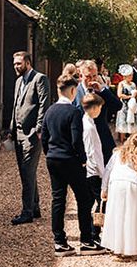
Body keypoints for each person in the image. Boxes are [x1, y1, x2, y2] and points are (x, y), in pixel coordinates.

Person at [43, 74, 102, 254]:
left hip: (53, 158)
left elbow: (44, 137)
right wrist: (83, 159)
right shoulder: (74, 112)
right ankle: (86, 240)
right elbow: (77, 140)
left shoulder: (50, 111)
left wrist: (50, 153)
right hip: (70, 159)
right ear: (72, 90)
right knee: (84, 199)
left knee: (58, 199)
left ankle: (59, 241)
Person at [6, 51, 50, 225]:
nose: (16, 66)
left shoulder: (40, 79)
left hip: (31, 133)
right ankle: (35, 206)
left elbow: (43, 105)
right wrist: (11, 129)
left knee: (27, 172)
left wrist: (38, 129)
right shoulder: (18, 81)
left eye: (19, 63)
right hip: (17, 133)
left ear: (28, 63)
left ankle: (27, 212)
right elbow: (16, 105)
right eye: (15, 63)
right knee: (27, 172)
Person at [101, 133, 137, 257]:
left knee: (117, 216)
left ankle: (116, 247)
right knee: (130, 217)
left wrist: (103, 189)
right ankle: (128, 248)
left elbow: (107, 170)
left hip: (115, 183)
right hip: (133, 186)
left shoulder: (117, 153)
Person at [74, 59, 121, 165]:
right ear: (81, 76)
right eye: (88, 77)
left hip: (102, 140)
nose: (91, 80)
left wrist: (103, 90)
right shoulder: (75, 92)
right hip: (84, 141)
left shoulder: (102, 90)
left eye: (94, 76)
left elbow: (118, 106)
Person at [81, 92, 106, 244]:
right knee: (100, 202)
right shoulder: (89, 126)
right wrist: (101, 172)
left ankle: (92, 232)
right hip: (93, 171)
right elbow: (91, 152)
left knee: (92, 202)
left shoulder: (88, 122)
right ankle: (93, 233)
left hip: (92, 169)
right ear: (95, 108)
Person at [115, 64, 137, 143]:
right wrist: (129, 97)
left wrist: (136, 95)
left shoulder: (133, 84)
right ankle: (122, 141)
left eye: (131, 75)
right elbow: (119, 95)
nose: (131, 77)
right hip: (124, 106)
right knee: (123, 122)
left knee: (131, 122)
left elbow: (136, 94)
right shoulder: (121, 84)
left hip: (131, 106)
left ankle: (131, 140)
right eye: (129, 75)